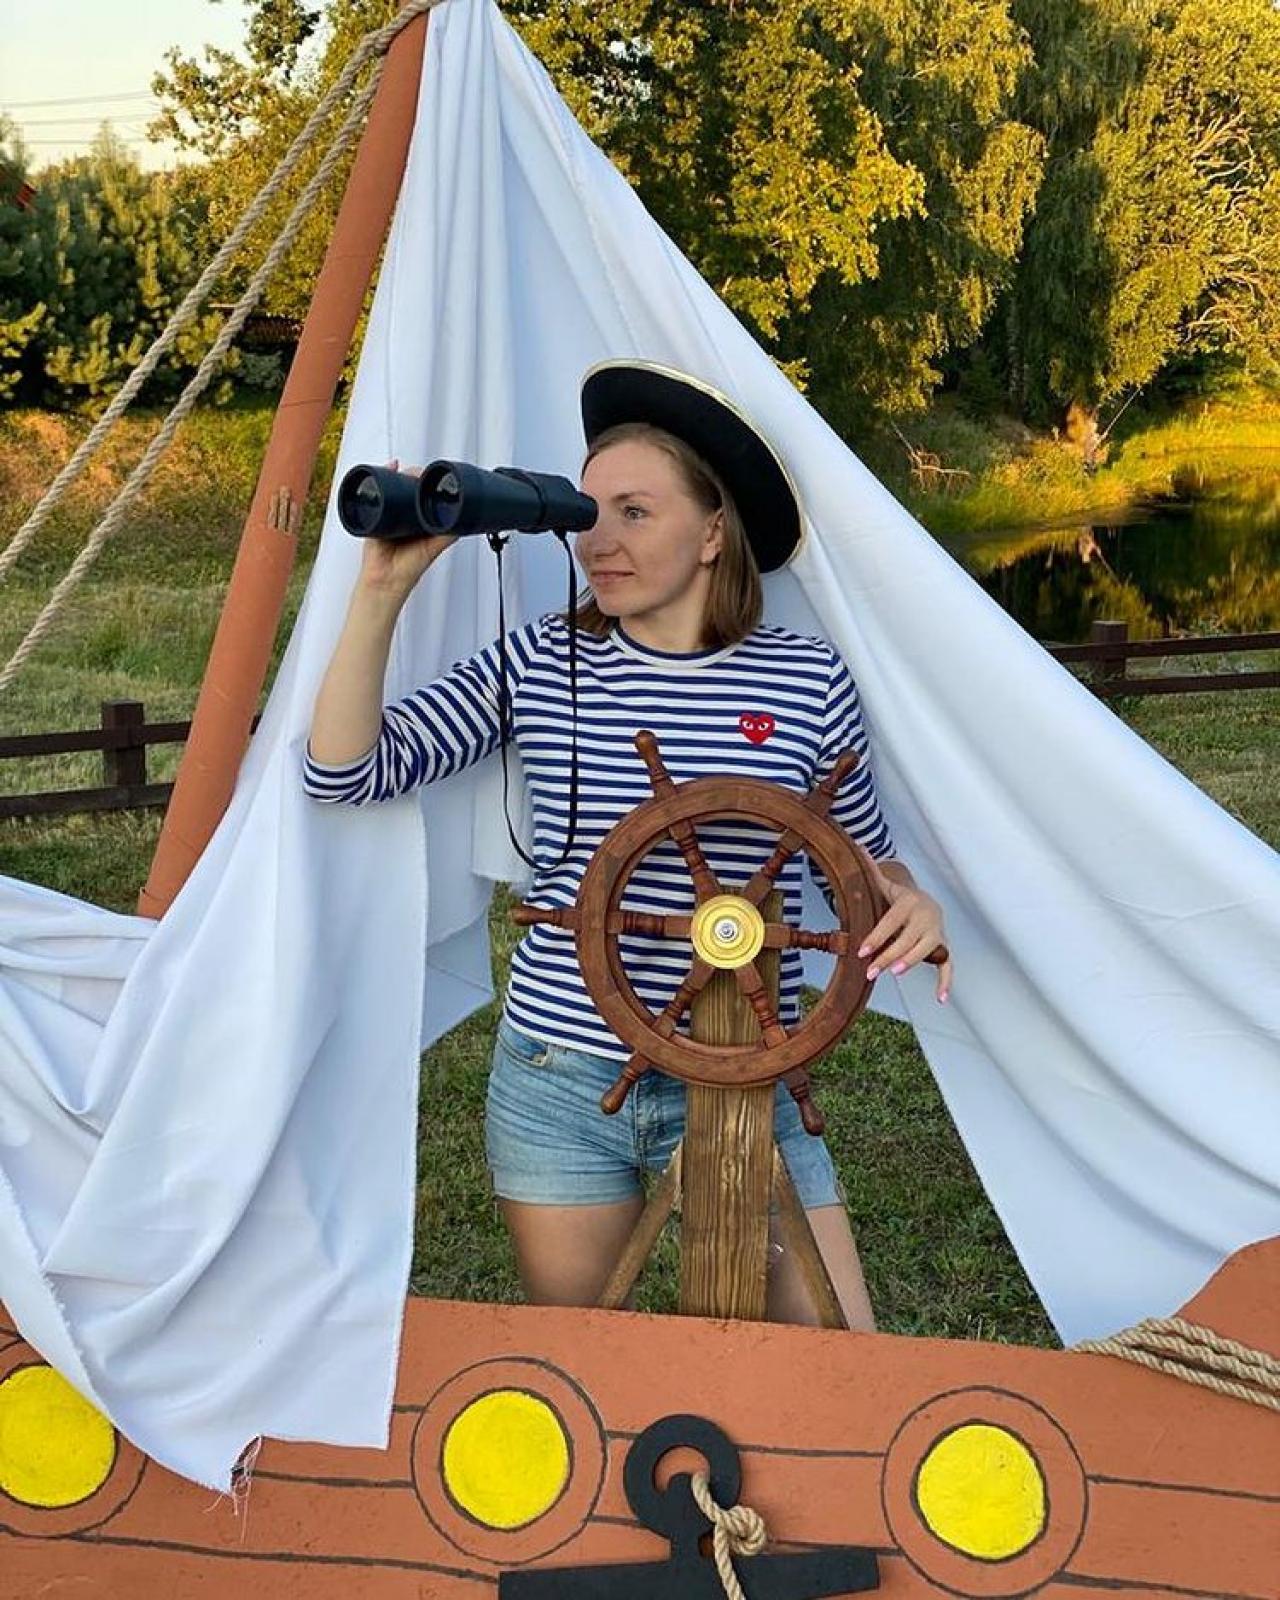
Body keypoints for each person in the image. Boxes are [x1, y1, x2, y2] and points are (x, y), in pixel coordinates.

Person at [304, 361, 951, 1329]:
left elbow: (857, 862)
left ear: (713, 533)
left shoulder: (806, 679)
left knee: (839, 1360)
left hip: (745, 1070)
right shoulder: (539, 660)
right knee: (591, 1366)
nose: (596, 541)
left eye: (635, 513)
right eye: (585, 512)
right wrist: (380, 591)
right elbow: (343, 772)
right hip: (560, 1075)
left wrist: (912, 899)